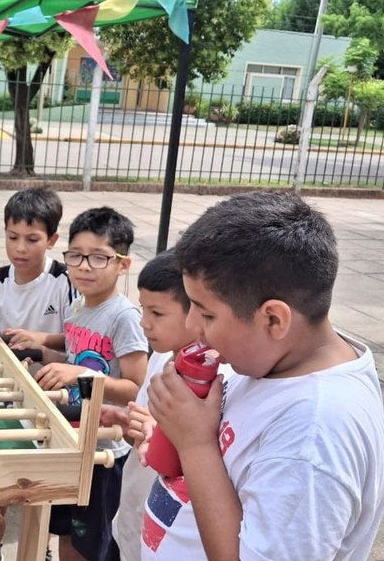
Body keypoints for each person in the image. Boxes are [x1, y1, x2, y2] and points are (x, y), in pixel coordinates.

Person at [146, 191, 384, 560]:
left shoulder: (315, 435)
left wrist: (194, 444)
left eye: (206, 314)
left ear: (273, 318)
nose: (192, 326)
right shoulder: (268, 358)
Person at [13, 207, 148, 561]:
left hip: (106, 449)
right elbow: (74, 354)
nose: (84, 266)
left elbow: (136, 386)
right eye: (76, 256)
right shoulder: (77, 306)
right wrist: (41, 348)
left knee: (93, 542)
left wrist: (82, 375)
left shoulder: (124, 317)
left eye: (99, 258)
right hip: (72, 434)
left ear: (123, 264)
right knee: (66, 530)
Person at [110, 250, 232, 561]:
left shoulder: (215, 380)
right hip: (135, 518)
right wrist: (127, 424)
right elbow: (141, 436)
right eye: (143, 310)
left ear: (197, 311)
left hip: (171, 535)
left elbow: (199, 462)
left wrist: (156, 433)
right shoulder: (163, 357)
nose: (144, 323)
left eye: (157, 314)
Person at [0, 187, 76, 335]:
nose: (20, 248)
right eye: (13, 238)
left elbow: (77, 341)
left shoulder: (66, 282)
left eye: (32, 239)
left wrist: (39, 342)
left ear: (51, 240)